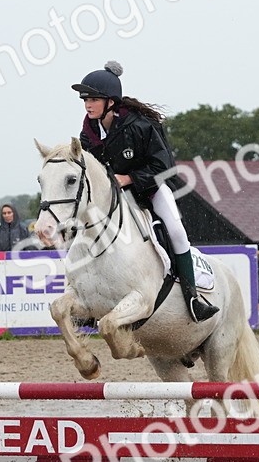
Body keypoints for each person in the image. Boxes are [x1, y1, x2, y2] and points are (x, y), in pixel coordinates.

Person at [71, 61, 218, 322]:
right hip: (114, 195)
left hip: (149, 188)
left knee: (176, 231)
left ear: (111, 101)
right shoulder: (88, 132)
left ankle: (193, 296)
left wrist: (128, 177)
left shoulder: (140, 125)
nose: (87, 105)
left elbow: (164, 167)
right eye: (85, 99)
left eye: (93, 99)